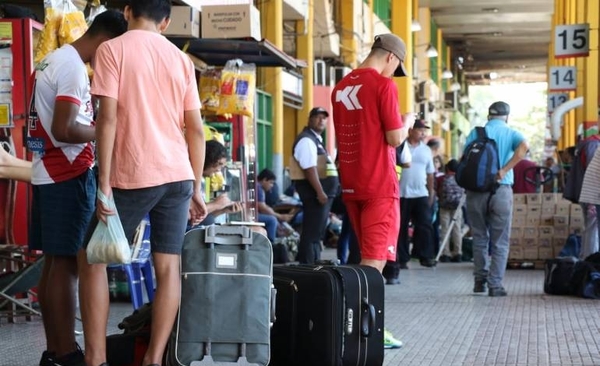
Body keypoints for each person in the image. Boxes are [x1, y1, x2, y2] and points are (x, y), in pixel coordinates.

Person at [80, 2, 207, 366]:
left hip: (135, 173)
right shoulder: (181, 59)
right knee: (167, 268)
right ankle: (153, 358)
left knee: (92, 260)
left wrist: (103, 183)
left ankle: (95, 359)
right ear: (165, 21)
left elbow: (108, 119)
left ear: (126, 10)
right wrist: (196, 187)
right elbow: (195, 129)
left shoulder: (112, 49)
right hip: (178, 175)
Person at [25, 10, 127, 366]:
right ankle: (66, 352)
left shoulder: (53, 60)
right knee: (67, 265)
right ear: (107, 41)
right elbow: (66, 129)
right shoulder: (71, 68)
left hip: (48, 171)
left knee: (55, 263)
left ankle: (56, 350)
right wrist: (104, 129)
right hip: (66, 173)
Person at [331, 33, 412, 349]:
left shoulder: (341, 88)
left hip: (352, 183)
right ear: (391, 57)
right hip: (379, 185)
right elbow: (394, 138)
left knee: (365, 258)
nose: (394, 75)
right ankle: (366, 330)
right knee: (374, 264)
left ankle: (351, 324)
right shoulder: (383, 85)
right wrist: (407, 123)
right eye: (396, 68)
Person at [465, 101, 528, 297]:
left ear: (489, 116)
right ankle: (495, 285)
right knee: (500, 240)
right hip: (501, 190)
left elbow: (465, 157)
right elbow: (524, 146)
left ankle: (479, 281)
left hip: (476, 191)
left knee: (479, 237)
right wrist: (504, 169)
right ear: (506, 116)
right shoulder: (511, 133)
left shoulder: (476, 132)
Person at [383, 119, 437, 283]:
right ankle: (403, 258)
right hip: (400, 193)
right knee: (401, 228)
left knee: (425, 225)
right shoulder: (399, 145)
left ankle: (424, 256)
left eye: (424, 130)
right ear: (411, 130)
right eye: (420, 129)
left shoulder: (427, 150)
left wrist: (431, 192)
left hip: (420, 193)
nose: (423, 132)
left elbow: (430, 173)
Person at [289, 107, 339, 264]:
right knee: (312, 233)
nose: (321, 120)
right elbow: (309, 168)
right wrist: (320, 192)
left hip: (322, 195)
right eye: (317, 117)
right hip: (315, 196)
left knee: (317, 233)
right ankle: (308, 264)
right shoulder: (306, 140)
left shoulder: (316, 139)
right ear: (309, 119)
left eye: (324, 118)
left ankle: (314, 262)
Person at [189, 140, 242, 228]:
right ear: (208, 160)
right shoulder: (190, 180)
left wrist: (223, 210)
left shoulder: (204, 182)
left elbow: (203, 216)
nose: (219, 169)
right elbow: (189, 214)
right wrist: (216, 204)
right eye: (218, 164)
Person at [437, 159, 465, 263]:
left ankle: (446, 253)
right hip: (458, 207)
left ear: (447, 168)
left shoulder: (442, 178)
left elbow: (438, 191)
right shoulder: (461, 179)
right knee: (457, 229)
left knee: (445, 229)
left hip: (444, 207)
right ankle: (458, 253)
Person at [256, 168, 293, 243]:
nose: (272, 186)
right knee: (272, 220)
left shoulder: (260, 188)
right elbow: (263, 208)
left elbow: (265, 206)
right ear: (264, 180)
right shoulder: (258, 188)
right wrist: (279, 216)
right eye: (271, 183)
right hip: (253, 216)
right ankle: (271, 244)